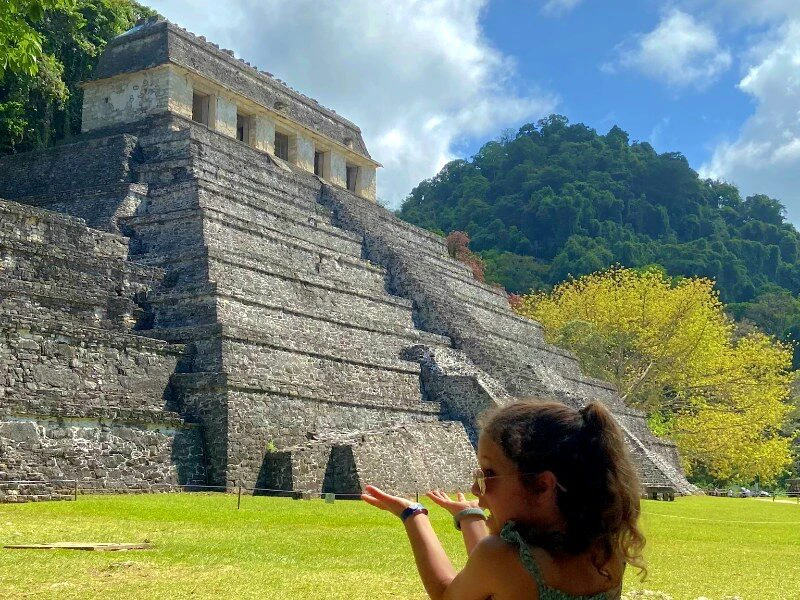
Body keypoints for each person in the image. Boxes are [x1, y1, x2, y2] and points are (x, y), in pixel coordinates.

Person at [361, 400, 646, 600]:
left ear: (541, 486)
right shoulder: (607, 551)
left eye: (488, 474)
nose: (476, 488)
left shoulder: (501, 559)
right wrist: (470, 517)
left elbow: (448, 593)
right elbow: (492, 578)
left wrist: (413, 514)